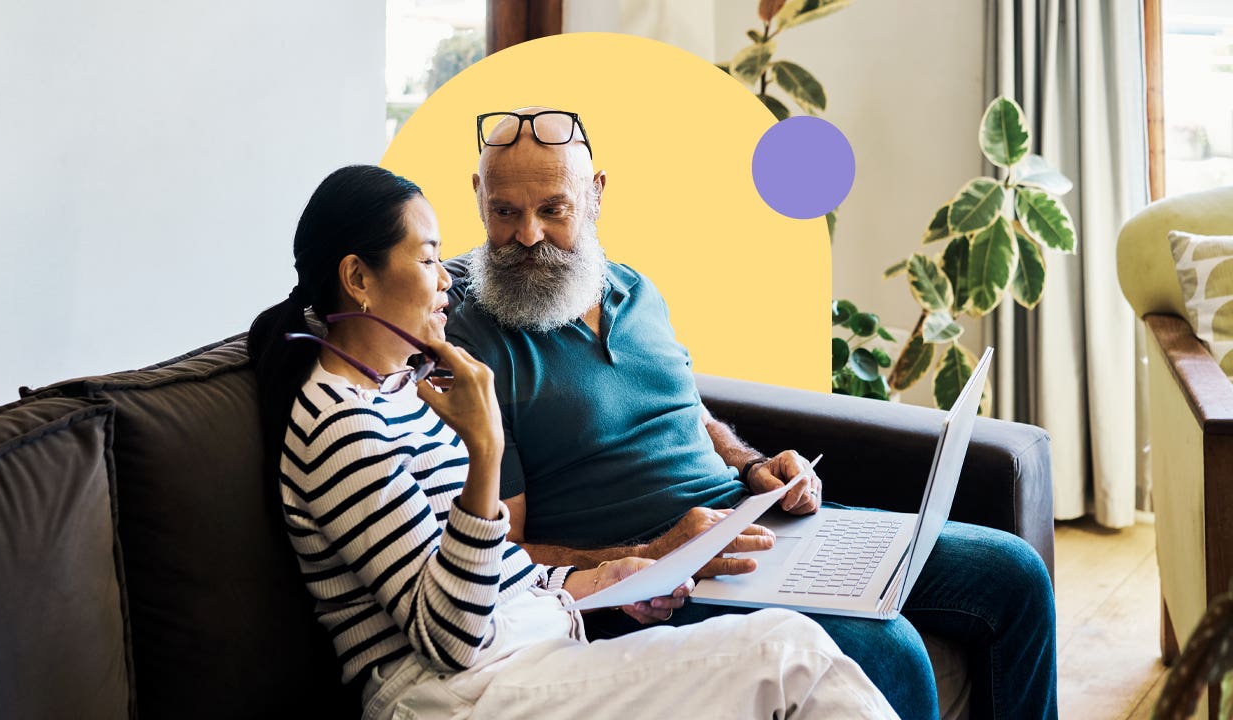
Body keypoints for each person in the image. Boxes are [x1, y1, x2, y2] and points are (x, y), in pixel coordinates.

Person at [445, 108, 1059, 719]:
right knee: (888, 650)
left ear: (595, 194)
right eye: (505, 212)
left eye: (553, 209)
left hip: (755, 525)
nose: (527, 235)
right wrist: (657, 551)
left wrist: (752, 465)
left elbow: (686, 410)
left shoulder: (634, 289)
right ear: (479, 197)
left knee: (1013, 575)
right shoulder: (470, 341)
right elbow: (506, 554)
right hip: (662, 579)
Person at [246, 165, 898, 719]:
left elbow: (490, 578)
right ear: (358, 278)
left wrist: (591, 580)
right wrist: (486, 452)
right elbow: (451, 637)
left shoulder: (400, 389)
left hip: (531, 651)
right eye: (425, 258)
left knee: (791, 653)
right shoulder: (339, 428)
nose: (447, 278)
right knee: (795, 655)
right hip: (458, 696)